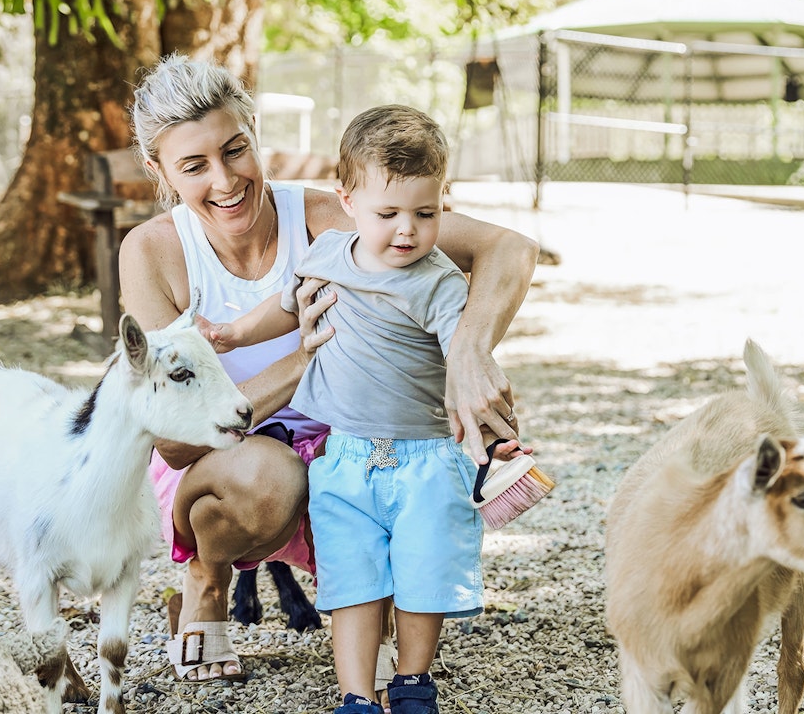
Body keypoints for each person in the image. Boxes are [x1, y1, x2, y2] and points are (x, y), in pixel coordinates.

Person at [119, 54, 539, 685]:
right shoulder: (151, 252)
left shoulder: (330, 216)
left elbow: (509, 247)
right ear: (158, 170)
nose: (226, 180)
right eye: (194, 165)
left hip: (351, 443)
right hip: (228, 465)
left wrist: (469, 358)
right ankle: (206, 577)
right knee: (269, 477)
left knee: (404, 595)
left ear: (256, 133)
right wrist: (302, 361)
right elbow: (177, 443)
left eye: (236, 150)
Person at [199, 103, 528, 714]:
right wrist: (236, 333)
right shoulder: (326, 254)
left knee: (421, 578)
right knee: (351, 582)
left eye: (425, 214)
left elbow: (468, 361)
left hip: (425, 455)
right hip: (345, 455)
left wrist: (496, 427)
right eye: (389, 213)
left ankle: (411, 680)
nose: (407, 230)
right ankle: (354, 695)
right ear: (346, 200)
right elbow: (289, 305)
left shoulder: (437, 283)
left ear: (442, 205)